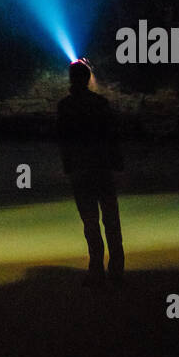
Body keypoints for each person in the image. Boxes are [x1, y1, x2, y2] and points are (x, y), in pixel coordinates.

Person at [56, 58, 125, 286]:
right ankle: (116, 268)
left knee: (90, 221)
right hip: (101, 167)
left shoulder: (65, 106)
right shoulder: (100, 103)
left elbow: (64, 138)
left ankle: (96, 269)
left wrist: (68, 165)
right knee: (110, 219)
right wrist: (116, 161)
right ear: (87, 79)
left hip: (81, 168)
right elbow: (111, 135)